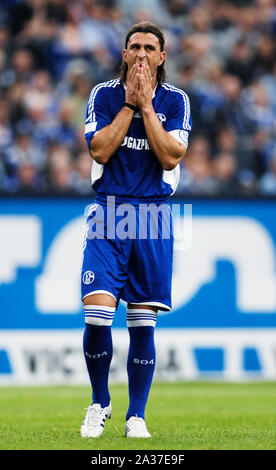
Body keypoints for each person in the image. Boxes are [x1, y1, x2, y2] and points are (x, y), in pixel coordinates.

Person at [80, 21, 191, 439]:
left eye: (149, 47)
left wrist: (146, 106)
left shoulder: (176, 101)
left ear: (162, 56)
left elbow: (170, 158)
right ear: (124, 53)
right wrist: (129, 105)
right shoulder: (104, 95)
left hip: (152, 216)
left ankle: (136, 416)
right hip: (108, 213)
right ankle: (99, 402)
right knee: (97, 313)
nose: (141, 54)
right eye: (134, 47)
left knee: (142, 322)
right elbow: (100, 149)